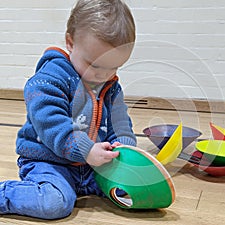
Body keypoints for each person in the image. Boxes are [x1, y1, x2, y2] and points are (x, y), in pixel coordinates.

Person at [0, 0, 136, 220]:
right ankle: (4, 194)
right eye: (95, 64)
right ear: (70, 43)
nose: (103, 75)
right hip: (50, 162)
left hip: (92, 167)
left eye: (114, 67)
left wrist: (124, 149)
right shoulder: (48, 80)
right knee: (54, 203)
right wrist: (86, 150)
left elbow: (121, 123)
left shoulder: (111, 86)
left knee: (131, 191)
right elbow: (51, 124)